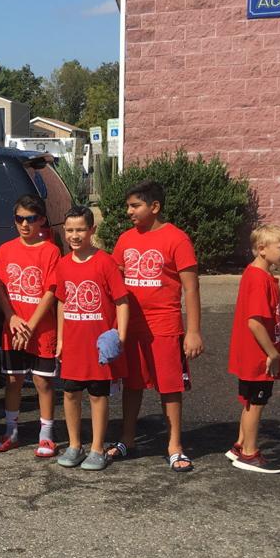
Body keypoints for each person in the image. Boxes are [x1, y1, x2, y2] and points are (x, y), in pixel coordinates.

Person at [109, 180, 203, 473]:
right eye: (128, 206)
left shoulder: (177, 239)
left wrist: (193, 330)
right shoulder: (125, 239)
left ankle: (174, 446)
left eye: (135, 206)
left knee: (169, 387)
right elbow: (113, 281)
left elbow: (191, 288)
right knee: (132, 384)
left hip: (164, 326)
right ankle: (128, 439)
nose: (129, 212)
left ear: (155, 207)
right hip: (131, 327)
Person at [53, 206, 129, 471]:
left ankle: (97, 448)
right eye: (70, 230)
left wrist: (120, 335)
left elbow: (122, 301)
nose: (75, 235)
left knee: (98, 395)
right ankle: (75, 445)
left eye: (81, 230)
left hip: (98, 346)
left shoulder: (105, 262)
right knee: (71, 393)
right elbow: (62, 302)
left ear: (92, 230)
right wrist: (61, 339)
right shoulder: (62, 264)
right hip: (73, 345)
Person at [0, 194, 61, 457]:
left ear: (41, 220)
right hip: (14, 329)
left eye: (31, 219)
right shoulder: (6, 250)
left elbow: (51, 291)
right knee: (13, 380)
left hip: (41, 329)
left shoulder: (50, 251)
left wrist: (30, 324)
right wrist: (12, 318)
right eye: (19, 218)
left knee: (43, 383)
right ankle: (12, 432)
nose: (25, 224)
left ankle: (46, 435)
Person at [227, 224, 280, 474]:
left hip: (255, 354)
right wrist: (272, 353)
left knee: (251, 401)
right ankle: (250, 454)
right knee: (256, 400)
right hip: (258, 355)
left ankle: (240, 445)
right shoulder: (257, 278)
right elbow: (254, 322)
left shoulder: (258, 275)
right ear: (262, 249)